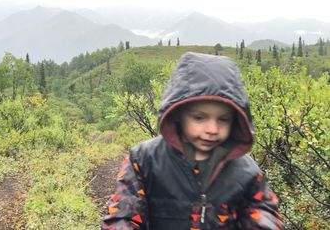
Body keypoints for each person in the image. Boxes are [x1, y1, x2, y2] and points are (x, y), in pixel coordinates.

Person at [101, 52, 284, 230]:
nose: (212, 129)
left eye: (223, 119)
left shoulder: (247, 173)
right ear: (179, 114)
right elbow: (123, 216)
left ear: (236, 121)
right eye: (199, 117)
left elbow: (263, 214)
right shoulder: (144, 160)